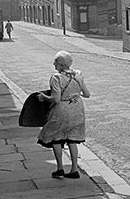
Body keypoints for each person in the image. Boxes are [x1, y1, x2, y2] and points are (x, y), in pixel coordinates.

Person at [37, 51, 91, 179]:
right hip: (77, 108)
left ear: (61, 65)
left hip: (62, 110)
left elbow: (56, 99)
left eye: (55, 62)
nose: (53, 64)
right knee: (72, 139)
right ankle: (74, 169)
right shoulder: (78, 75)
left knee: (56, 137)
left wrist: (43, 97)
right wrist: (75, 95)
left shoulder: (56, 77)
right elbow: (87, 94)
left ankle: (60, 168)